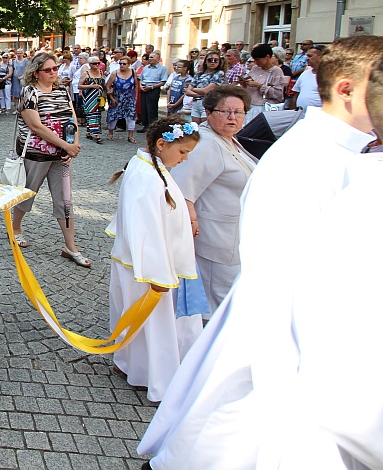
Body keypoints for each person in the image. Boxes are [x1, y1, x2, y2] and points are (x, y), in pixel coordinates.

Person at [138, 35, 383, 469]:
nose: (234, 118)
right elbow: (292, 290)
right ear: (347, 88)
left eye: (239, 112)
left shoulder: (340, 157)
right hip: (283, 354)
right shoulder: (309, 162)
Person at [107, 115, 203, 403]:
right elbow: (145, 230)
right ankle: (155, 378)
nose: (185, 159)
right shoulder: (148, 178)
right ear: (161, 144)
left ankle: (133, 366)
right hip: (148, 269)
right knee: (154, 325)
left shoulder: (150, 167)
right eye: (183, 152)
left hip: (146, 263)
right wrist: (159, 276)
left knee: (139, 320)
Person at [168, 85, 256, 316]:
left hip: (231, 236)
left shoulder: (227, 139)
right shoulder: (206, 143)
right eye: (225, 111)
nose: (232, 117)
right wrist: (191, 226)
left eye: (239, 112)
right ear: (208, 112)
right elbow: (181, 190)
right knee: (216, 305)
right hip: (215, 240)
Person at [9, 53, 87, 265]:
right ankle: (15, 228)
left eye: (55, 68)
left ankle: (70, 246)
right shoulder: (29, 92)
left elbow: (72, 119)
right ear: (36, 73)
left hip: (61, 156)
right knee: (27, 193)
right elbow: (36, 126)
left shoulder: (62, 91)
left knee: (65, 200)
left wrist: (74, 145)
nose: (53, 72)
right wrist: (66, 146)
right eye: (48, 70)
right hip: (37, 154)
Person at [238, 43, 286, 120]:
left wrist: (259, 85)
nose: (256, 62)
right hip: (249, 105)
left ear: (267, 57)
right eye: (254, 60)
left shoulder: (276, 71)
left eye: (258, 59)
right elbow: (247, 81)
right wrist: (244, 83)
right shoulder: (255, 68)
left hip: (262, 107)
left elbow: (278, 94)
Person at [105, 56, 139, 143]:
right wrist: (111, 98)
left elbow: (135, 85)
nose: (122, 65)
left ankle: (130, 136)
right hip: (117, 98)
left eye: (124, 64)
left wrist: (136, 97)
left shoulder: (133, 72)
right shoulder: (114, 73)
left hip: (129, 98)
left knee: (131, 116)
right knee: (113, 115)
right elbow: (108, 86)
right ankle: (110, 133)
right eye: (120, 63)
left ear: (129, 64)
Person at [184, 52, 225, 124]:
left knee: (205, 126)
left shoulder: (219, 73)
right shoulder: (199, 74)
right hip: (196, 102)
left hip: (208, 103)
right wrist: (198, 93)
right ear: (205, 61)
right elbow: (187, 92)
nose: (213, 62)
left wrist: (193, 89)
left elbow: (205, 91)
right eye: (210, 60)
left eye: (216, 60)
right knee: (195, 126)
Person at [77, 56, 105, 143]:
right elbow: (79, 86)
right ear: (90, 64)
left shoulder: (100, 72)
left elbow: (103, 83)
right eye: (94, 63)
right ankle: (96, 135)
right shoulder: (86, 73)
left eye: (98, 63)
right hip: (89, 97)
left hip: (99, 97)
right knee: (92, 114)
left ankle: (89, 132)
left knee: (97, 115)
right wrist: (91, 86)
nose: (97, 65)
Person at [138, 51, 168, 129]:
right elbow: (141, 78)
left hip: (153, 89)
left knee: (152, 108)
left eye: (152, 57)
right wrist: (141, 86)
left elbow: (163, 81)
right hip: (144, 88)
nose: (150, 59)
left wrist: (151, 87)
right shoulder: (146, 67)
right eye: (149, 57)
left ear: (158, 59)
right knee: (144, 108)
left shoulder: (162, 68)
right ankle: (145, 125)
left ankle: (153, 126)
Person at [291, 43, 325, 111]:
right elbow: (296, 95)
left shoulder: (328, 77)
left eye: (310, 56)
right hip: (300, 116)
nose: (307, 59)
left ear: (321, 57)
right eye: (307, 56)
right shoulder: (305, 74)